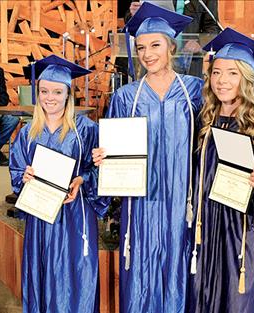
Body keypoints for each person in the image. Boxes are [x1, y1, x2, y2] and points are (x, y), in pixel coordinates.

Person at [93, 3, 204, 312]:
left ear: (171, 47)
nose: (147, 53)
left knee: (176, 260)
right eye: (141, 47)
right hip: (140, 201)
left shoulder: (195, 91)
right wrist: (105, 157)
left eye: (155, 45)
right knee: (139, 263)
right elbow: (113, 150)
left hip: (181, 199)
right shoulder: (126, 96)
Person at [186, 27, 254, 313]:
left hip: (244, 230)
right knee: (203, 295)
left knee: (239, 300)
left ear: (246, 78)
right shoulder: (204, 120)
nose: (222, 80)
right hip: (207, 226)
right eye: (217, 72)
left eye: (232, 73)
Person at [9, 55, 110, 313]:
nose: (49, 97)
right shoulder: (28, 132)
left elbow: (101, 172)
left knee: (76, 278)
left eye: (57, 91)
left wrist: (82, 179)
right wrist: (24, 177)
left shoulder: (86, 130)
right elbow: (16, 173)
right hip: (41, 218)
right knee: (42, 276)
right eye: (43, 91)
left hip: (75, 217)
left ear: (68, 94)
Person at [124, 0, 221, 77]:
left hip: (190, 60)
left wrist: (200, 44)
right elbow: (130, 22)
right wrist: (134, 14)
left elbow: (213, 27)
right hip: (154, 59)